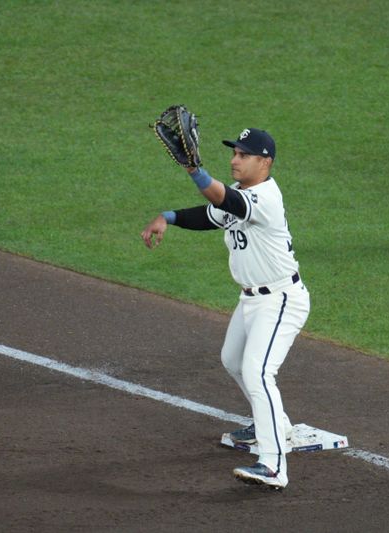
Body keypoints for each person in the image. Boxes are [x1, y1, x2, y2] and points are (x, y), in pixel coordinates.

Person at [140, 127, 309, 490]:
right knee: (233, 360)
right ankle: (273, 426)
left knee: (258, 372)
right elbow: (210, 214)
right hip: (251, 299)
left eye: (243, 155)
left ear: (265, 162)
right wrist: (167, 217)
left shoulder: (265, 197)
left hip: (281, 300)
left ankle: (274, 464)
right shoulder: (242, 194)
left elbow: (225, 203)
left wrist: (194, 171)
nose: (234, 159)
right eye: (234, 153)